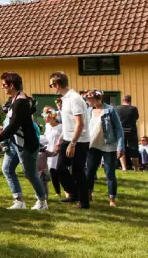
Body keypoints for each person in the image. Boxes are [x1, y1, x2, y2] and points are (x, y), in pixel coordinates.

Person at [0, 72, 48, 210]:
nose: (2, 87)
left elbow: (13, 125)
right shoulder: (15, 99)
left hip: (26, 144)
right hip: (14, 143)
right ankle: (19, 201)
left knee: (30, 174)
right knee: (7, 169)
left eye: (4, 85)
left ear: (11, 85)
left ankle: (42, 202)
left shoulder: (21, 102)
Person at [49, 71, 90, 209]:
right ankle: (74, 194)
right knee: (59, 168)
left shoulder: (74, 98)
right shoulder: (65, 99)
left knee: (78, 172)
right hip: (67, 138)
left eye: (51, 85)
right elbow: (68, 123)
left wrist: (72, 144)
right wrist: (60, 140)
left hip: (79, 140)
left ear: (57, 84)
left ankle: (84, 202)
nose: (52, 88)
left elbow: (80, 123)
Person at [84, 90, 124, 207]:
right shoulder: (88, 111)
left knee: (110, 173)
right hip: (93, 145)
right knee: (90, 171)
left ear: (97, 99)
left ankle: (112, 199)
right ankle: (88, 194)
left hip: (109, 145)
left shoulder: (110, 110)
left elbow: (119, 128)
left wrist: (120, 147)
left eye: (89, 99)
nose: (87, 101)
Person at [41, 107, 63, 197]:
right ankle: (58, 192)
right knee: (51, 171)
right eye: (44, 116)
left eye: (46, 116)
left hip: (58, 152)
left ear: (53, 117)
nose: (44, 118)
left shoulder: (61, 127)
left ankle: (68, 191)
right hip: (48, 151)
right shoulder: (47, 126)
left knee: (59, 171)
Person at [115, 94, 140, 172]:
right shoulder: (133, 108)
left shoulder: (117, 108)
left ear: (123, 100)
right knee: (134, 148)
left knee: (121, 148)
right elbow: (136, 117)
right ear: (130, 100)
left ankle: (124, 167)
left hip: (120, 130)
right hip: (131, 130)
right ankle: (136, 168)